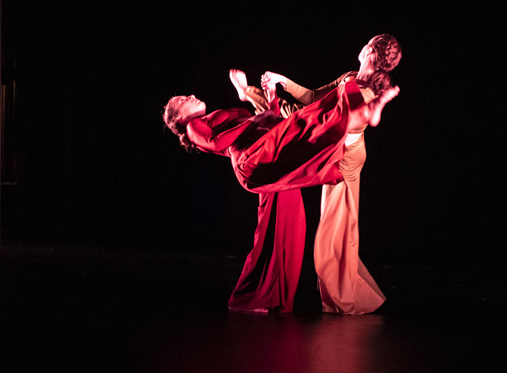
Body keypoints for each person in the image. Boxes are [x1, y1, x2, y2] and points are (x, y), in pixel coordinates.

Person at [162, 70, 399, 314]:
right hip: (253, 161)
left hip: (267, 156)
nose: (191, 96)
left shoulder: (211, 117)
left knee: (287, 226)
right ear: (179, 118)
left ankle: (265, 299)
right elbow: (216, 142)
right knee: (303, 121)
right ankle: (358, 118)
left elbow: (271, 117)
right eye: (183, 100)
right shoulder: (192, 126)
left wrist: (272, 97)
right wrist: (254, 120)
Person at [260, 34, 402, 315]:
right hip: (337, 146)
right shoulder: (350, 76)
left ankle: (345, 295)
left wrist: (373, 107)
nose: (362, 45)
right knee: (340, 227)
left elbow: (342, 121)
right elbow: (315, 97)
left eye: (367, 42)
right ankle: (344, 289)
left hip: (347, 157)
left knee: (335, 231)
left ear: (370, 50)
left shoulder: (369, 86)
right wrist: (284, 81)